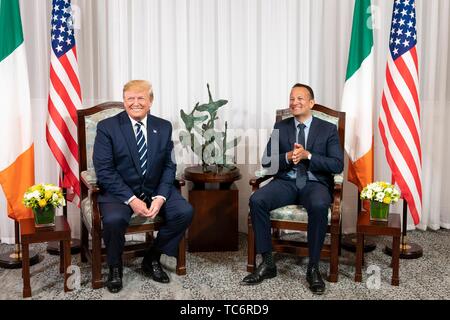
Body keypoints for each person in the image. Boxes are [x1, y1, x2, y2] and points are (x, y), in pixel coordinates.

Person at [241, 83, 343, 295]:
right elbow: (267, 162)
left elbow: (336, 164)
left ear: (311, 103)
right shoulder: (282, 127)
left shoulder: (328, 129)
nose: (294, 103)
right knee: (257, 200)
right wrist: (287, 156)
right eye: (291, 99)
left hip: (314, 183)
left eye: (300, 99)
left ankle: (313, 267)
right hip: (287, 182)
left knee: (319, 204)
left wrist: (309, 156)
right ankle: (268, 262)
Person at [93, 80, 193, 293]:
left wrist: (160, 197)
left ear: (151, 101)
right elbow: (104, 170)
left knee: (184, 212)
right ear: (124, 100)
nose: (135, 103)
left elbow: (169, 165)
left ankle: (152, 257)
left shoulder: (163, 126)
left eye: (141, 98)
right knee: (113, 220)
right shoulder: (107, 127)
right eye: (130, 98)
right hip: (120, 192)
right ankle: (114, 267)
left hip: (155, 188)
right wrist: (131, 199)